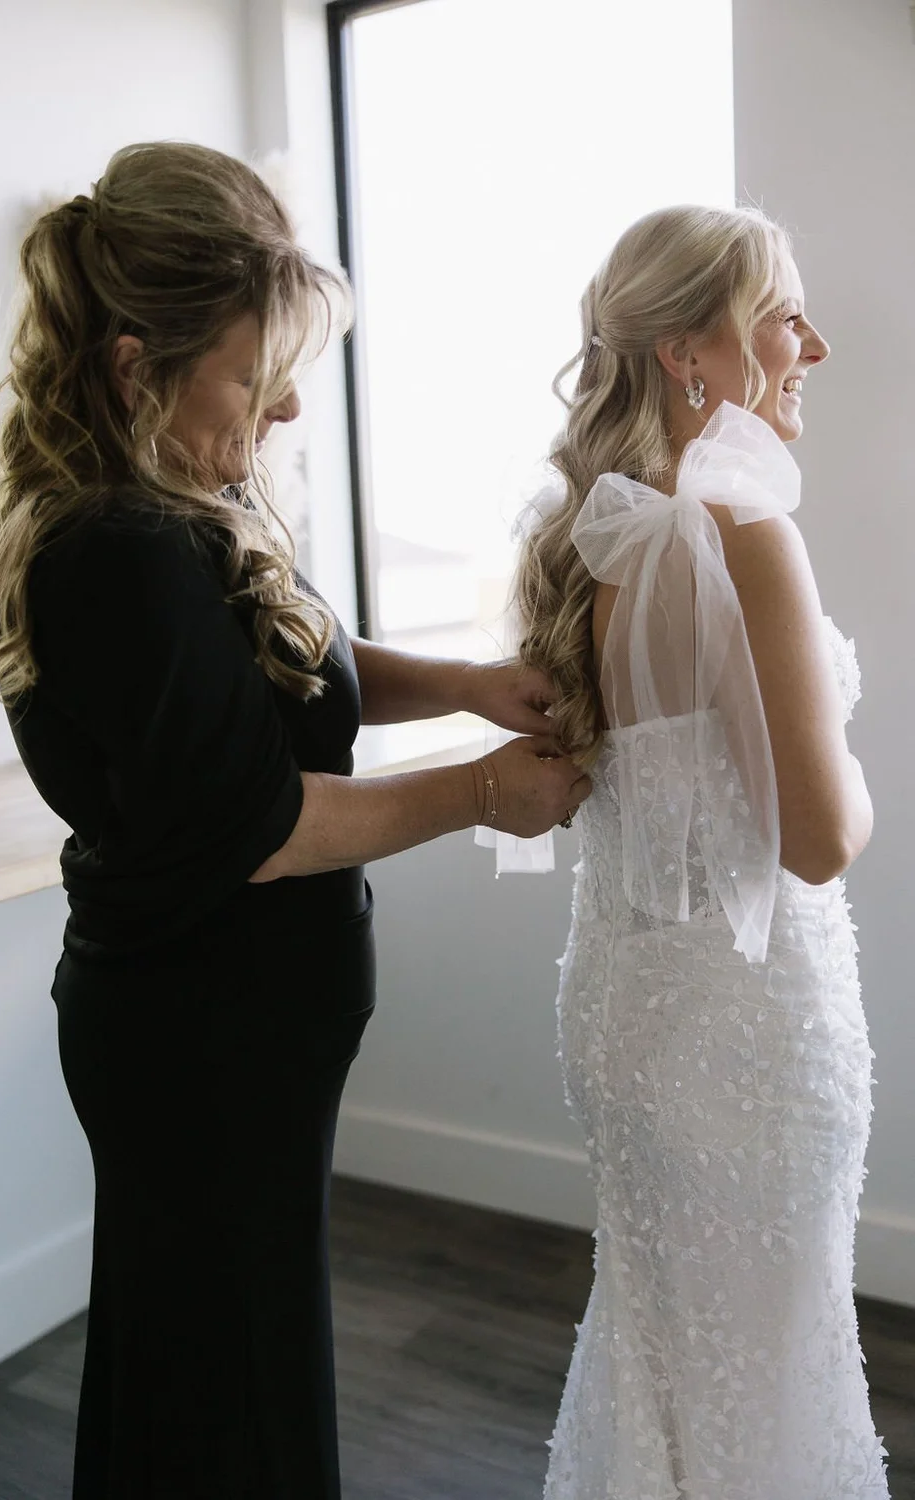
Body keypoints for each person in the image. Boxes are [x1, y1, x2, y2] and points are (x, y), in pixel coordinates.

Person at [0, 141, 588, 1500]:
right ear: (137, 365)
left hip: (233, 1029)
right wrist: (489, 789)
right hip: (199, 1041)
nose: (291, 406)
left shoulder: (179, 499)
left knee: (201, 1361)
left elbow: (291, 659)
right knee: (224, 1386)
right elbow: (256, 823)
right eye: (258, 371)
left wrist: (473, 684)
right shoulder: (112, 552)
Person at [513, 205, 889, 1498]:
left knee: (667, 1343)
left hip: (632, 1006)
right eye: (786, 311)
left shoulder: (602, 539)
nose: (815, 344)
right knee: (768, 1360)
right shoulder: (739, 532)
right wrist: (862, 784)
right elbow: (822, 839)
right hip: (747, 1027)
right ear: (691, 352)